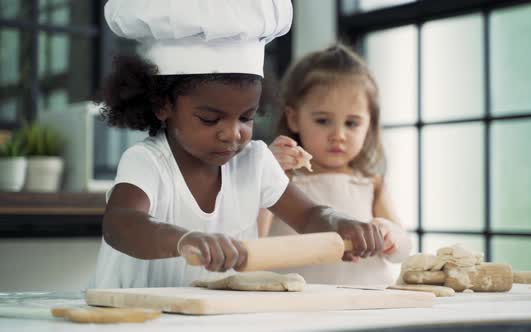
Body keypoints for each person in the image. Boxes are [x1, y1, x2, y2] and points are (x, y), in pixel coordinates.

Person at [90, 0, 384, 289]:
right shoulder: (147, 161)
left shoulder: (254, 161)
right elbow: (122, 223)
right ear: (162, 106)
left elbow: (308, 215)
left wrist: (341, 222)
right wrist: (184, 240)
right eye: (210, 119)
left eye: (246, 117)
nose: (232, 134)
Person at [258, 44, 412, 286]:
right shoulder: (283, 179)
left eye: (352, 123)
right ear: (294, 118)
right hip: (299, 306)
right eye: (323, 120)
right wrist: (265, 170)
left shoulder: (371, 183)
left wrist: (390, 235)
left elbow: (404, 251)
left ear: (369, 125)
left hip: (368, 302)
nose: (338, 134)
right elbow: (255, 239)